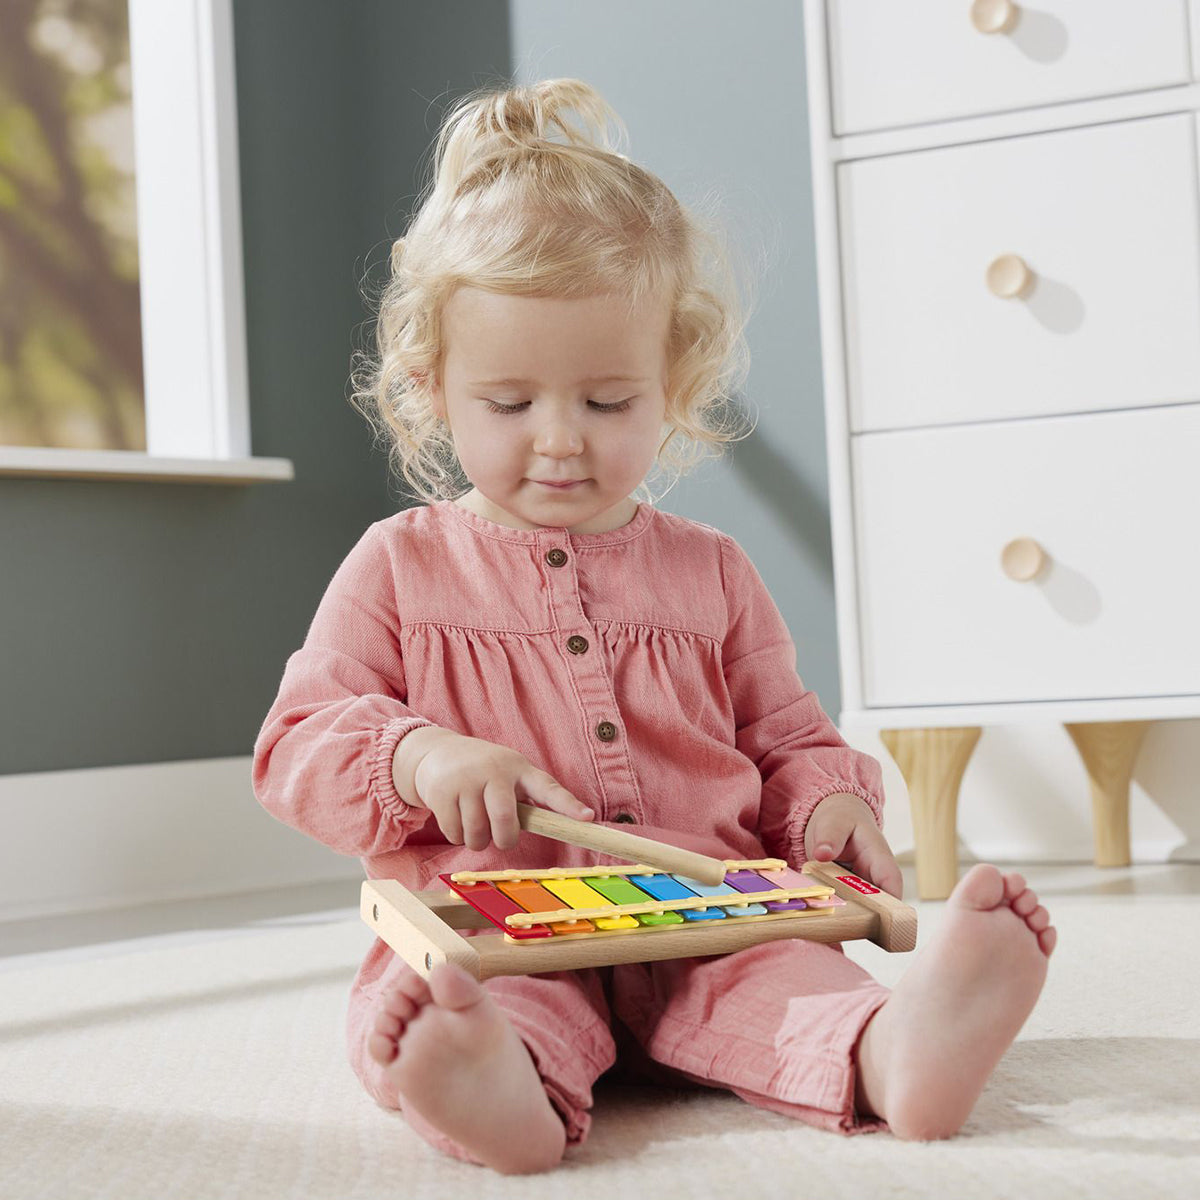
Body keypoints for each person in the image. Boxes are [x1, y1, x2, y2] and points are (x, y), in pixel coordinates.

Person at [252, 78, 1055, 1175]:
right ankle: (491, 1085)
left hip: (704, 913)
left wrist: (828, 810)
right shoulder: (398, 565)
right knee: (453, 1002)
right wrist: (416, 754)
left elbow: (788, 735)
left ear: (672, 382)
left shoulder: (712, 571)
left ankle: (896, 1048)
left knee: (792, 986)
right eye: (510, 402)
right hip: (501, 928)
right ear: (434, 386)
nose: (560, 441)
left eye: (607, 401)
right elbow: (296, 740)